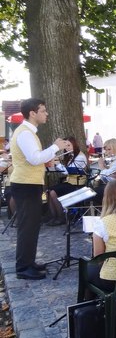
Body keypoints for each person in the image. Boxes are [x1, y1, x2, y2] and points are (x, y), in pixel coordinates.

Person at [9, 98, 70, 279]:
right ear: (32, 113)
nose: (47, 113)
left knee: (33, 226)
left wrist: (47, 159)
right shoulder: (25, 133)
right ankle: (23, 268)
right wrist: (55, 147)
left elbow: (35, 159)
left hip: (29, 184)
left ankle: (28, 262)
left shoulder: (29, 132)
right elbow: (34, 158)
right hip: (25, 185)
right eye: (43, 110)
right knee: (27, 226)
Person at [47, 136, 89, 225]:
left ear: (74, 145)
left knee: (52, 192)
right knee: (48, 191)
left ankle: (61, 217)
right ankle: (54, 216)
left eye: (69, 145)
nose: (67, 148)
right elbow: (66, 171)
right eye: (65, 146)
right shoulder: (71, 155)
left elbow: (68, 171)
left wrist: (57, 163)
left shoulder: (80, 157)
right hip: (70, 183)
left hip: (77, 185)